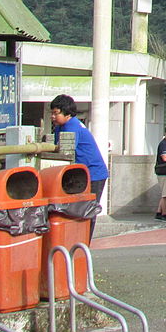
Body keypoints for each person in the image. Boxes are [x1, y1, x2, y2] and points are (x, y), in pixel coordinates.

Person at [49, 94, 109, 241]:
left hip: (94, 174)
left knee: (88, 210)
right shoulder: (61, 127)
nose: (52, 117)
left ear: (67, 114)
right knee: (78, 209)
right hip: (81, 173)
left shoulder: (72, 127)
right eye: (52, 113)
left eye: (56, 113)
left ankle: (84, 242)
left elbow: (65, 153)